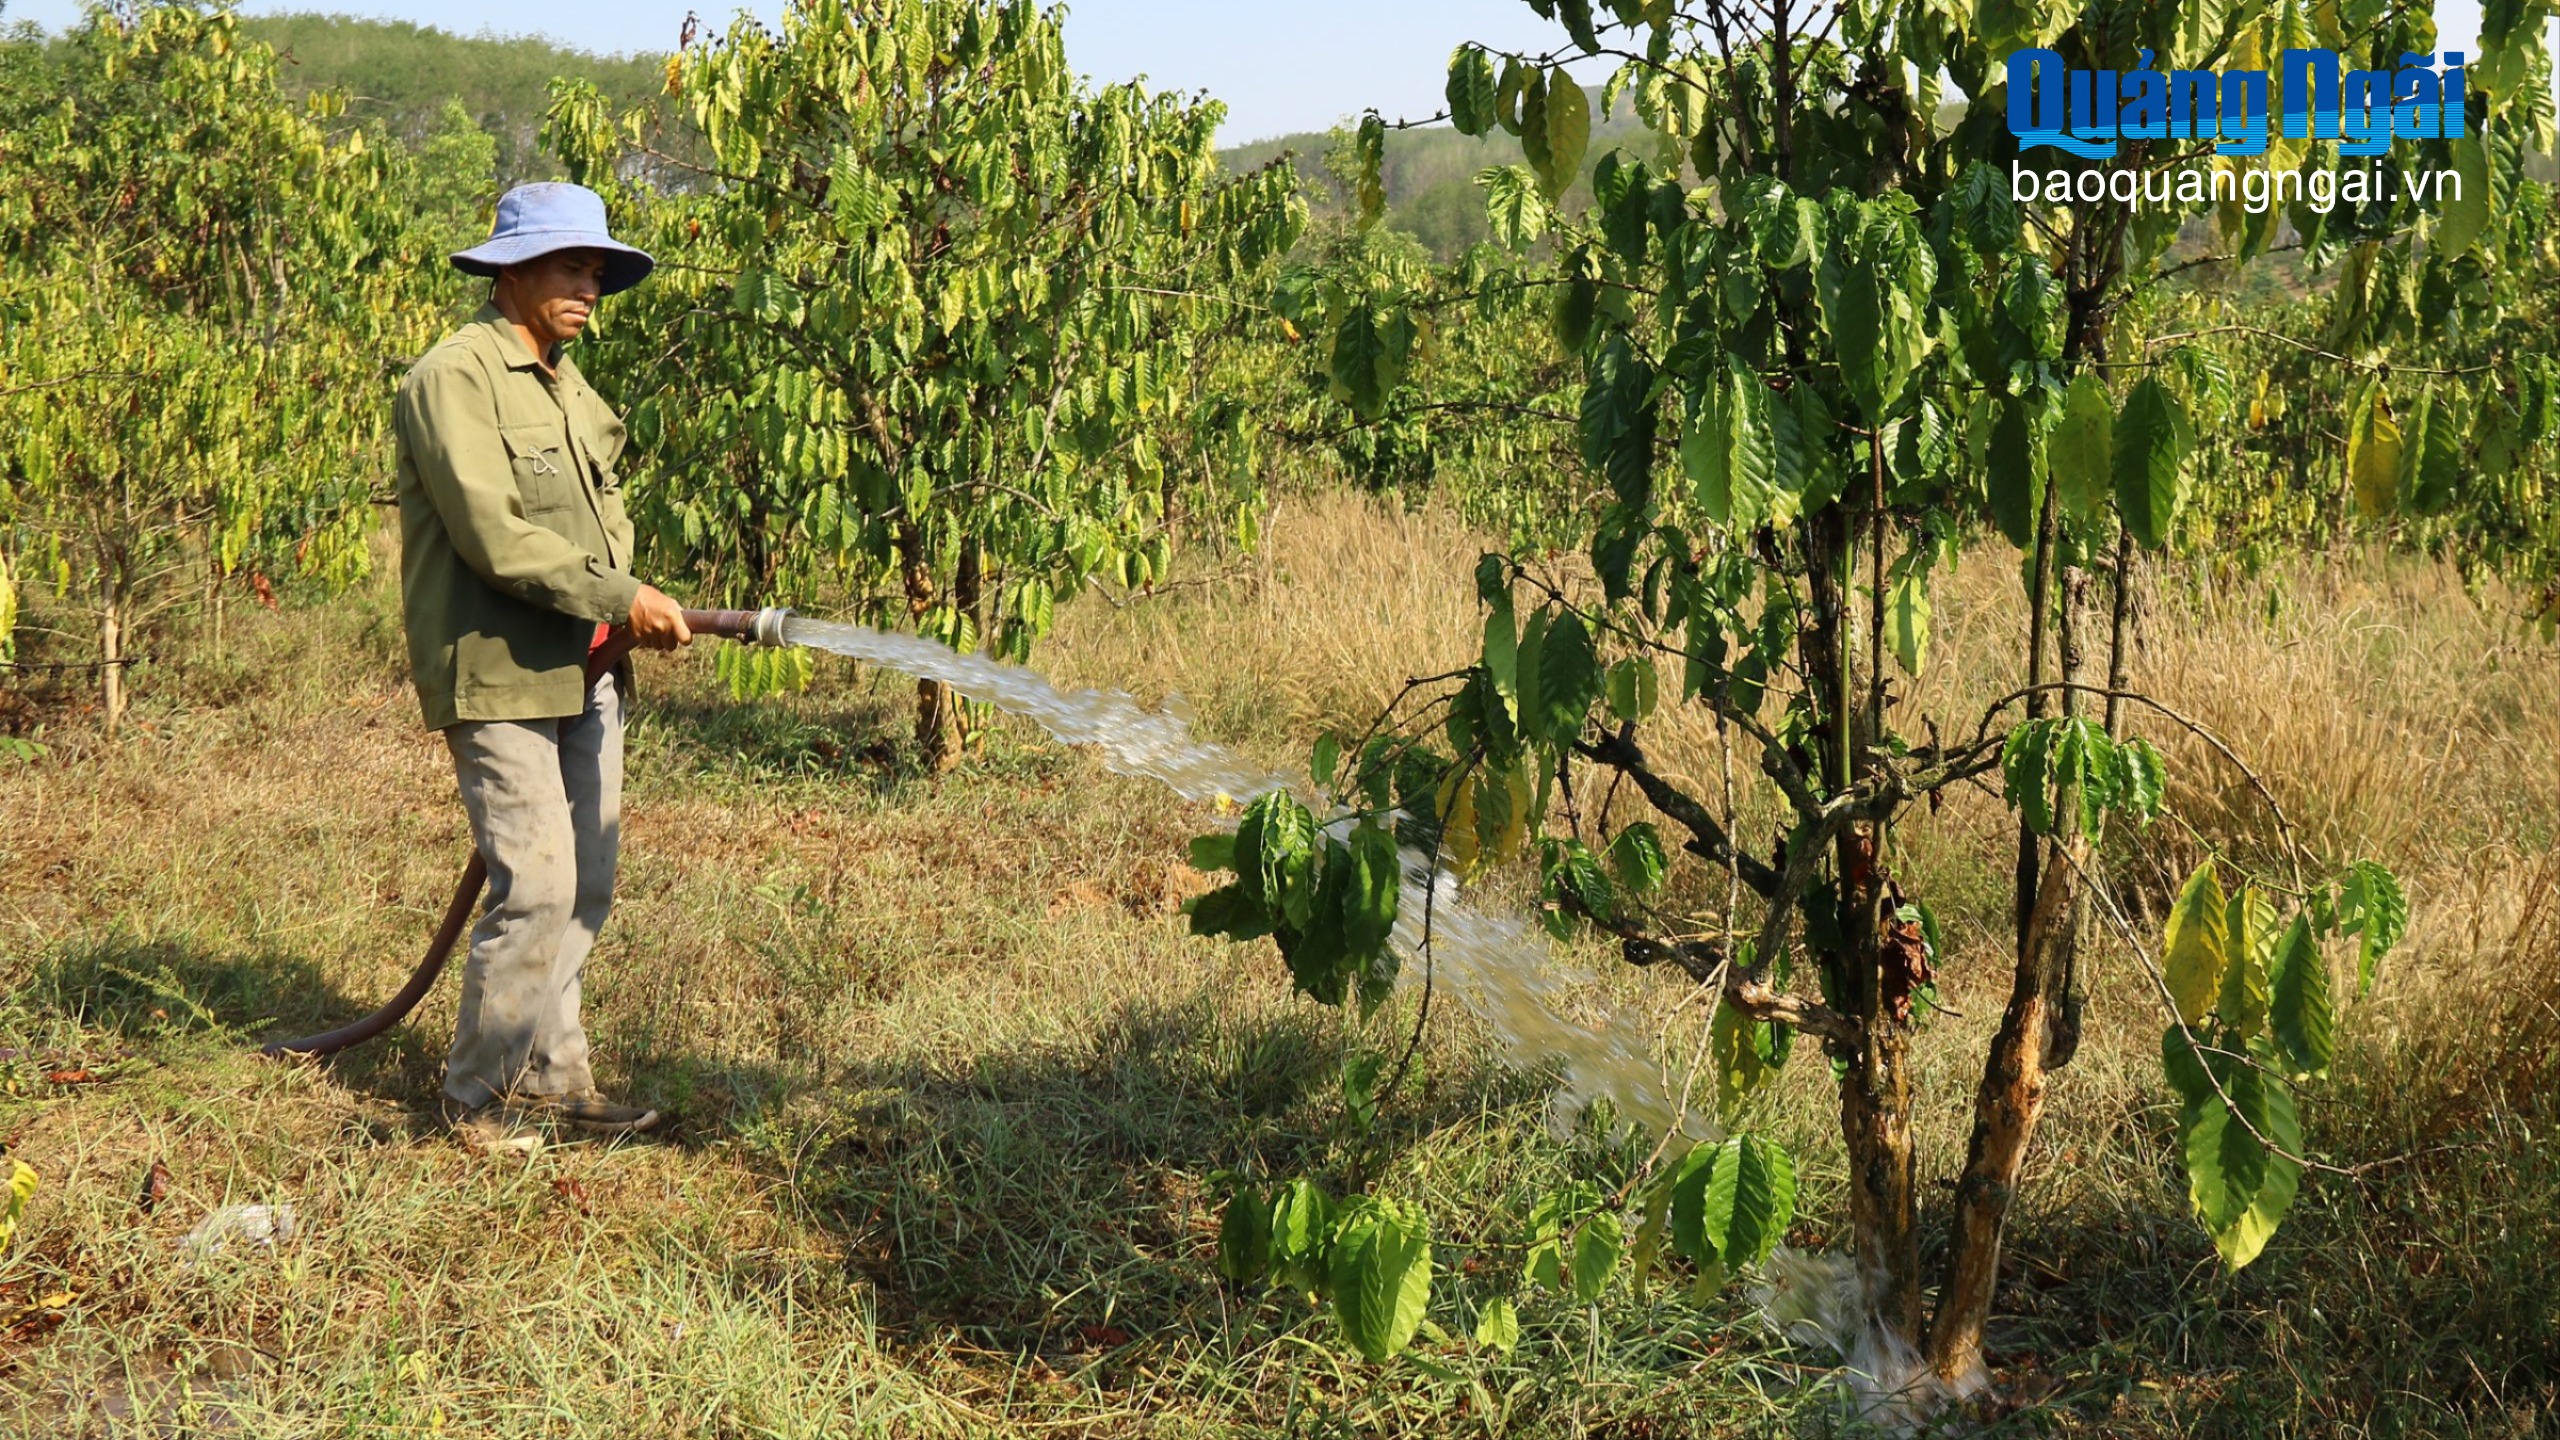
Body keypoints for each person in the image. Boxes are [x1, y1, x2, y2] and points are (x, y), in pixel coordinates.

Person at [392, 182, 690, 1148]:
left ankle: (555, 1081)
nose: (589, 287)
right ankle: (476, 1102)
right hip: (498, 672)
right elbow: (493, 537)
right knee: (536, 886)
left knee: (585, 884)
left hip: (587, 671)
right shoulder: (453, 378)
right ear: (512, 271)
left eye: (597, 271)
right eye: (572, 266)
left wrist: (619, 612)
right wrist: (620, 596)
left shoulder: (571, 388)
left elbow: (601, 527)